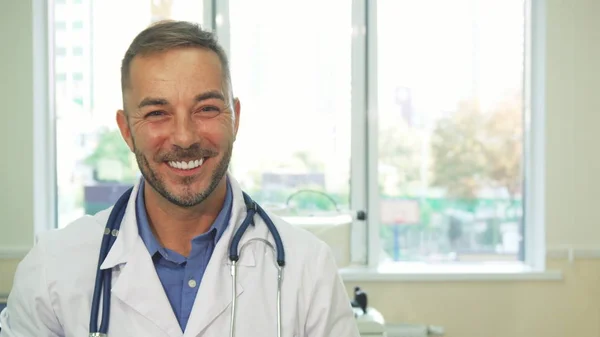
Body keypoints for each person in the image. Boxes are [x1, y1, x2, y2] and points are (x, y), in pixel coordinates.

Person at [0, 21, 361, 337]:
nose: (185, 137)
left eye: (206, 109)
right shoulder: (53, 268)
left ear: (234, 117)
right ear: (126, 130)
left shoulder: (307, 268)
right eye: (157, 113)